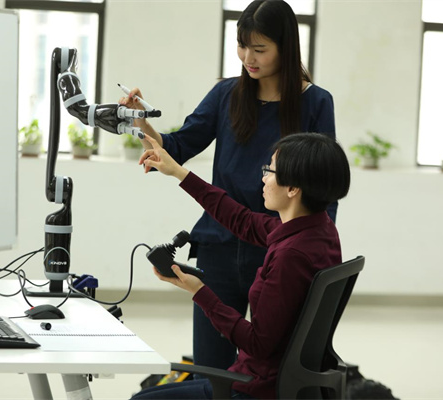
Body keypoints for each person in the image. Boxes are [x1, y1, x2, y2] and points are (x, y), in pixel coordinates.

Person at [119, 0, 337, 371]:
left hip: (277, 249)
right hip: (218, 245)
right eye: (241, 45)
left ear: (285, 46)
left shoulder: (315, 102)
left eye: (259, 49)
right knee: (211, 369)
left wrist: (314, 247)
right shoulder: (227, 94)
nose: (248, 57)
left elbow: (324, 188)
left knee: (273, 365)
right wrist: (140, 121)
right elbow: (177, 147)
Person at [130, 132, 351, 399]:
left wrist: (199, 292)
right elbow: (242, 221)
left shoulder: (291, 256)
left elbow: (257, 343)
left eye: (270, 170)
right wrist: (178, 172)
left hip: (255, 389)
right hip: (280, 381)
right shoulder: (319, 230)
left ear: (293, 188)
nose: (263, 178)